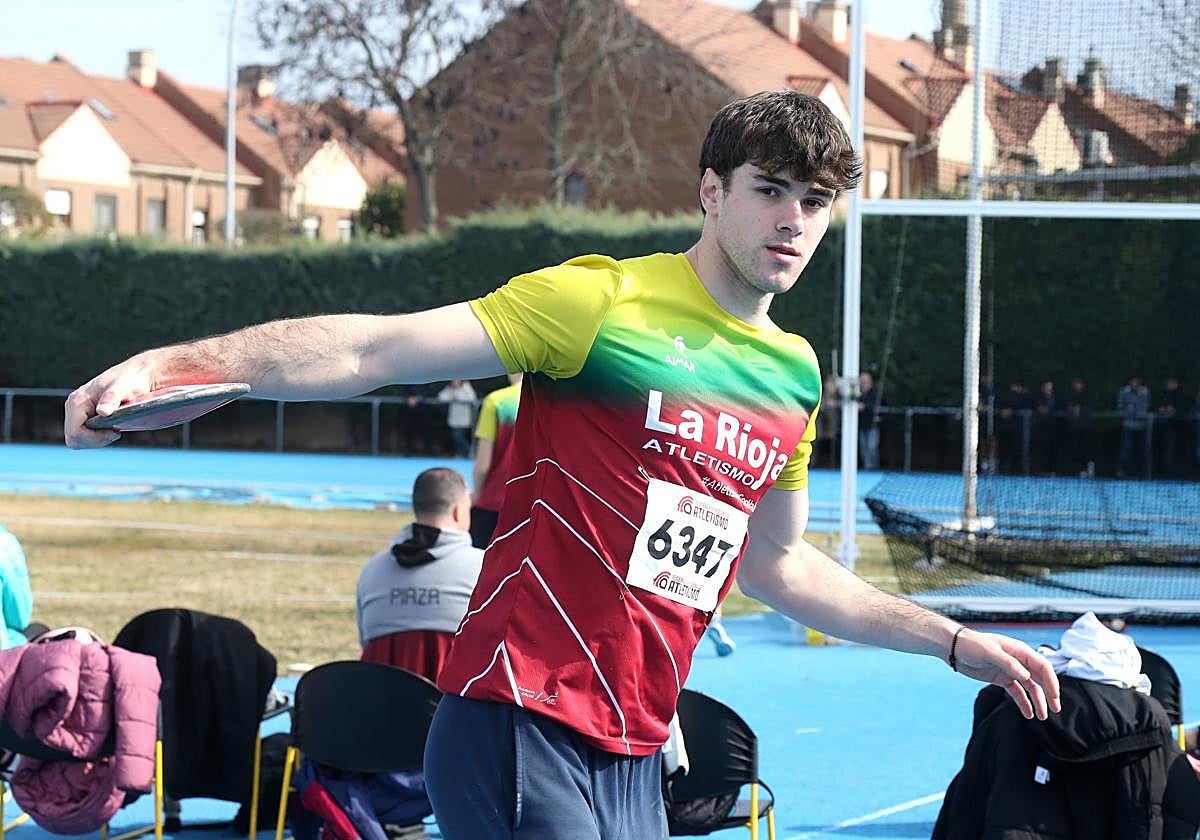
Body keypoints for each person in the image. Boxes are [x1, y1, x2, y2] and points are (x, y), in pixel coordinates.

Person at [65, 91, 1060, 840]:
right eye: (769, 191)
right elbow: (375, 349)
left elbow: (778, 566)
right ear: (712, 194)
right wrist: (191, 365)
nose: (793, 218)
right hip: (515, 716)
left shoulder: (793, 374)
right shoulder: (602, 303)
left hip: (635, 749)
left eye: (816, 199)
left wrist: (952, 640)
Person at [356, 468, 484, 682]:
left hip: (381, 707)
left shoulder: (372, 570)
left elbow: (365, 643)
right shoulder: (484, 568)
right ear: (458, 511)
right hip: (454, 708)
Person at [469, 373, 522, 548]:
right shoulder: (553, 402)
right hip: (533, 505)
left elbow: (483, 464)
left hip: (494, 503)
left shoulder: (497, 401)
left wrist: (476, 495)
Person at [1117, 374, 1151, 478]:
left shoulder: (1144, 392)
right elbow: (1120, 407)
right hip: (1128, 425)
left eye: (1137, 381)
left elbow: (1145, 407)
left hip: (1142, 426)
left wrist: (1137, 412)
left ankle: (1142, 473)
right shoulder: (1124, 392)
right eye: (1133, 381)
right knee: (1126, 450)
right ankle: (1123, 472)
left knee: (1142, 450)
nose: (1135, 383)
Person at [436, 379, 477, 458]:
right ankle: (460, 453)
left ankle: (468, 451)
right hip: (454, 417)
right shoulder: (450, 388)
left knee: (458, 436)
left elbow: (472, 398)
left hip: (464, 417)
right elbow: (440, 397)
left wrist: (459, 398)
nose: (455, 382)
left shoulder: (466, 387)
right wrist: (450, 398)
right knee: (455, 437)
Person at [857, 371, 880, 470]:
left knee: (871, 447)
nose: (863, 384)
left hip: (872, 425)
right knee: (863, 448)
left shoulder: (874, 393)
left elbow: (872, 407)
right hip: (861, 425)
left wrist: (864, 406)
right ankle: (867, 466)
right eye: (862, 382)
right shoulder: (859, 394)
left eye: (865, 382)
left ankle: (873, 467)